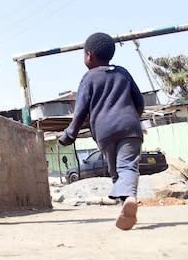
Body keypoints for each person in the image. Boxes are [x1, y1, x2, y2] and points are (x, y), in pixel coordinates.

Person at [58, 32, 144, 230]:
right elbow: (139, 101)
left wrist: (69, 135)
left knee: (116, 173)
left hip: (105, 132)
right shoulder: (123, 72)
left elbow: (80, 112)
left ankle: (126, 207)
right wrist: (131, 119)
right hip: (129, 127)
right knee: (128, 167)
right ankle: (130, 198)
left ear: (89, 55)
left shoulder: (88, 78)